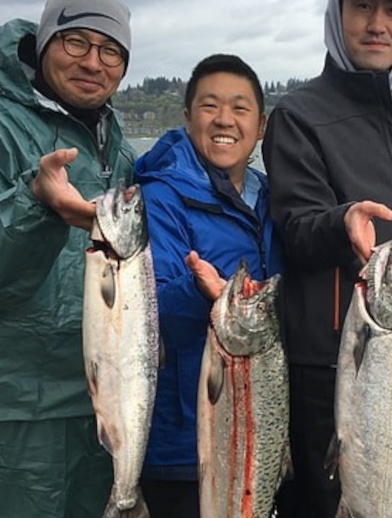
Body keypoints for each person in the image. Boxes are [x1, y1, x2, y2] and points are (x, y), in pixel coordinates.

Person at [0, 0, 134, 516]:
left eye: (111, 50)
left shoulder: (117, 146)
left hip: (106, 408)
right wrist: (34, 201)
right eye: (76, 42)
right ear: (42, 47)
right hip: (16, 411)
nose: (93, 62)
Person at [261, 0, 392, 516]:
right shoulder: (298, 114)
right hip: (326, 362)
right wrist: (341, 223)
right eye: (362, 7)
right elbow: (294, 228)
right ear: (337, 16)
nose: (378, 24)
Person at [133, 53, 283, 518]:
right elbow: (147, 321)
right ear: (187, 117)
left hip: (259, 428)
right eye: (209, 106)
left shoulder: (273, 198)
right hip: (184, 443)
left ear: (260, 126)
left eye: (240, 108)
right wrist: (202, 293)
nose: (224, 120)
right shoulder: (160, 197)